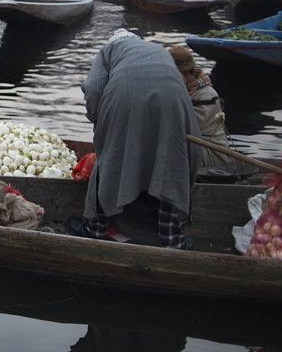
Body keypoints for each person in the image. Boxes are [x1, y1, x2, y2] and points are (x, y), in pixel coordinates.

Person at [75, 29, 199, 250]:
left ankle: (95, 229)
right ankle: (173, 239)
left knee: (109, 158)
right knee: (171, 160)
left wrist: (99, 122)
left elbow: (93, 90)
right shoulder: (156, 49)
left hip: (126, 98)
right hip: (174, 99)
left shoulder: (108, 52)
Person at [168, 46, 230, 168]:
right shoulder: (185, 89)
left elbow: (183, 128)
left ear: (183, 74)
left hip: (212, 153)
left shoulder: (206, 96)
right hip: (193, 146)